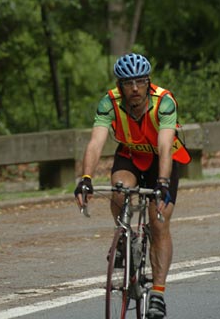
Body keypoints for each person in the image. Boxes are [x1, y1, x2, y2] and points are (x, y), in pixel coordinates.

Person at [74, 53, 190, 319]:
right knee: (119, 189)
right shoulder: (109, 102)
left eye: (140, 82)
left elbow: (164, 144)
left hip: (162, 160)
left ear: (148, 82)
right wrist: (86, 179)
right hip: (130, 156)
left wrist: (162, 183)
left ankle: (158, 294)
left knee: (159, 222)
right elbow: (95, 142)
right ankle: (126, 236)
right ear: (120, 85)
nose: (135, 88)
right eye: (128, 83)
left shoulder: (164, 101)